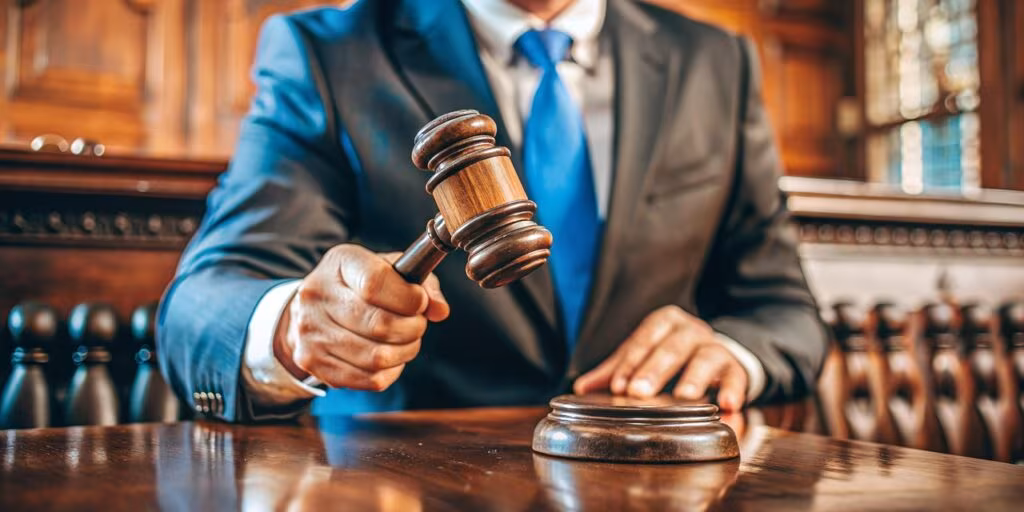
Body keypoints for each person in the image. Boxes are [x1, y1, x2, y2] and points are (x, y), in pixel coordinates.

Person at [158, 0, 828, 422]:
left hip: (653, 484)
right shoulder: (328, 55)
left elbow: (786, 312)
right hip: (405, 488)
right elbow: (199, 307)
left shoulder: (715, 62)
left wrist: (732, 353)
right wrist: (295, 330)